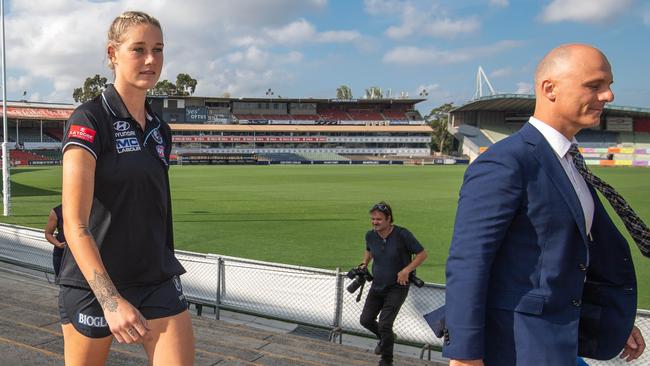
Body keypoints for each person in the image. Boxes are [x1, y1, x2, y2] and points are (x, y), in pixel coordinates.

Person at [443, 44, 646, 366]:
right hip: (516, 346)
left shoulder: (568, 162)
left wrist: (611, 321)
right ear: (550, 89)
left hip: (557, 343)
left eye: (609, 86)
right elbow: (469, 261)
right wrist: (465, 355)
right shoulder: (506, 162)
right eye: (594, 85)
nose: (608, 96)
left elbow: (563, 262)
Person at [58, 11, 194, 365]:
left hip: (156, 277)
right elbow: (75, 222)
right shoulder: (89, 119)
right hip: (95, 283)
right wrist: (111, 300)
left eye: (158, 49)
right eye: (138, 49)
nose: (151, 59)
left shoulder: (159, 129)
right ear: (113, 53)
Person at [359, 202, 428, 366]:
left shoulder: (402, 234)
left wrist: (406, 271)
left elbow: (422, 254)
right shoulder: (370, 235)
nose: (375, 222)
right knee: (365, 320)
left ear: (389, 219)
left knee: (385, 323)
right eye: (373, 219)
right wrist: (364, 263)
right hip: (377, 285)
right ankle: (386, 338)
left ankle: (386, 360)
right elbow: (369, 249)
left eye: (379, 219)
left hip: (397, 287)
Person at [44, 204, 65, 277]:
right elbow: (48, 233)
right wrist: (58, 244)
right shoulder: (57, 211)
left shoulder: (85, 209)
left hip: (81, 254)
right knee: (61, 280)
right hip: (61, 254)